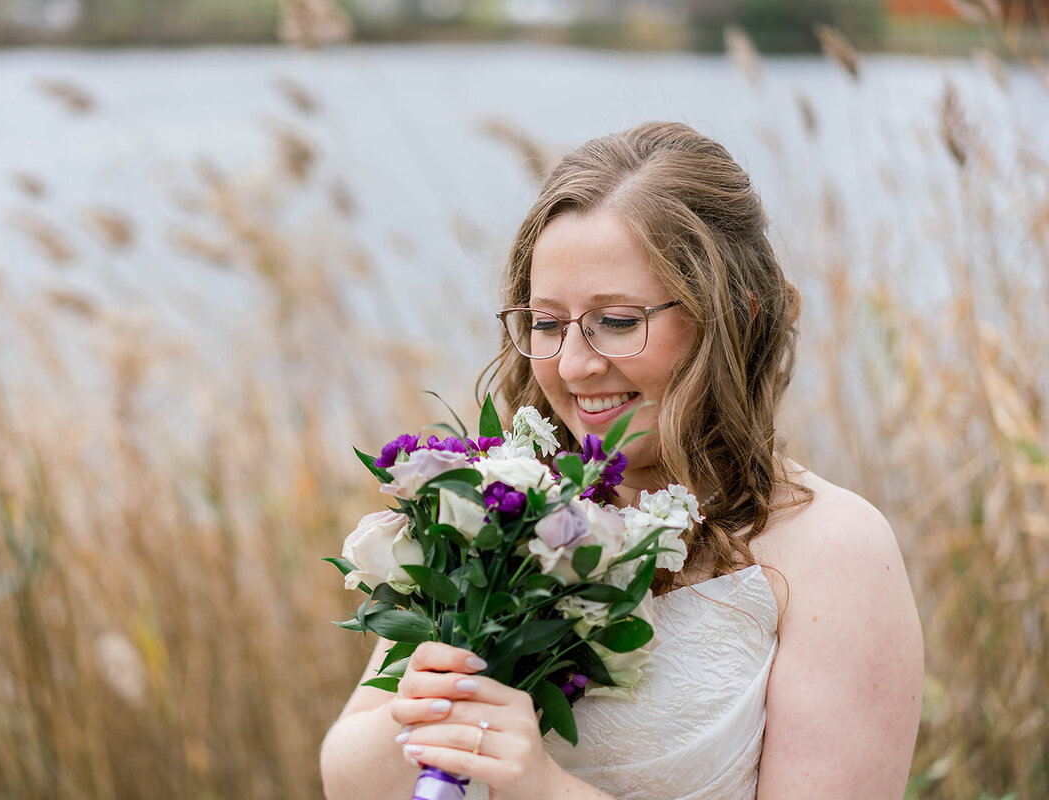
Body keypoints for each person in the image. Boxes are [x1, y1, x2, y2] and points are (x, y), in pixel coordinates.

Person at [319, 121, 923, 800]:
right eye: (547, 323)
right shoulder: (506, 507)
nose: (575, 365)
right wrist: (424, 705)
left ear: (734, 316)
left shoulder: (834, 551)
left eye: (617, 320)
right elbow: (349, 779)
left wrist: (545, 790)